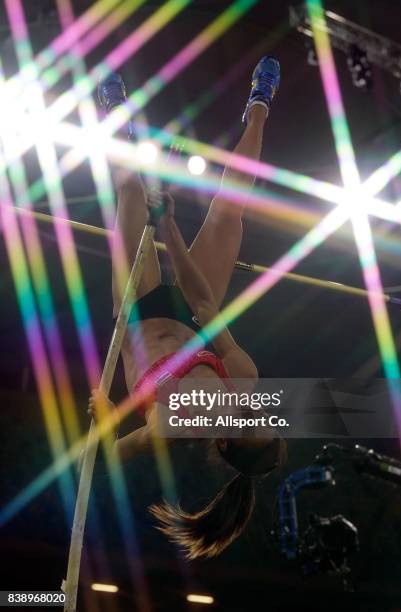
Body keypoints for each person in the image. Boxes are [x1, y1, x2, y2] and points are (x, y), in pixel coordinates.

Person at [88, 57, 286, 559]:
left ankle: (116, 116)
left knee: (130, 187)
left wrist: (109, 417)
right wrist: (169, 225)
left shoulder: (170, 428)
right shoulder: (242, 376)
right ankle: (260, 107)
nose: (248, 409)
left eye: (246, 422)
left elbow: (109, 453)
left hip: (136, 313)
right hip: (186, 313)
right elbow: (201, 301)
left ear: (224, 443)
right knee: (229, 210)